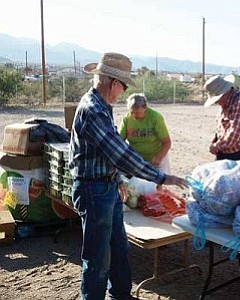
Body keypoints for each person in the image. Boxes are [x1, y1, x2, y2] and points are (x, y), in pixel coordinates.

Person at [68, 52, 187, 300]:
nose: (121, 93)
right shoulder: (93, 110)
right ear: (114, 84)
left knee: (118, 248)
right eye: (123, 87)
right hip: (94, 191)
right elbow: (120, 153)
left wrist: (118, 179)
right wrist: (162, 177)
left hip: (106, 187)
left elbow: (107, 154)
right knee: (98, 257)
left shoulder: (102, 107)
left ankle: (121, 295)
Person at [203, 75, 240, 160]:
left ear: (225, 93)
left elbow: (235, 134)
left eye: (217, 99)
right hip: (226, 152)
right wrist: (215, 141)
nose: (216, 102)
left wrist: (216, 146)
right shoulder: (224, 104)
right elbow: (221, 128)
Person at [119, 93, 171, 173]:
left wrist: (159, 157)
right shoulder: (127, 118)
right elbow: (119, 141)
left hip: (156, 157)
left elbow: (167, 142)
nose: (134, 116)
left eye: (138, 113)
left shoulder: (155, 117)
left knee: (158, 184)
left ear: (145, 108)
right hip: (136, 159)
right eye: (132, 112)